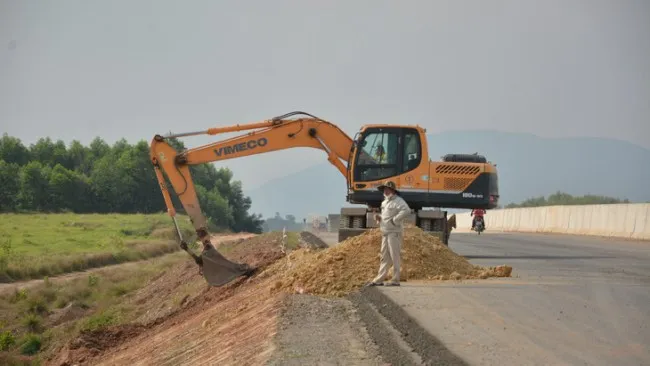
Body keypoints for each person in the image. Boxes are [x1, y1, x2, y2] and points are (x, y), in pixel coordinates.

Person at [365, 180, 411, 287]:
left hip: (394, 233)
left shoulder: (399, 201)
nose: (385, 191)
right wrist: (379, 218)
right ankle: (379, 279)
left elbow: (406, 210)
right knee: (384, 257)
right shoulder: (384, 202)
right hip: (385, 232)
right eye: (384, 190)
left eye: (387, 189)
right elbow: (385, 217)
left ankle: (395, 280)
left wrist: (395, 220)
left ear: (393, 190)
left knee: (394, 256)